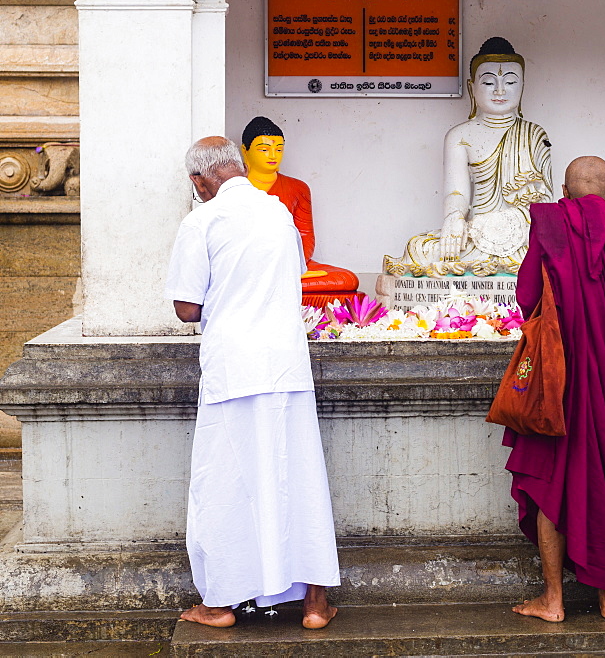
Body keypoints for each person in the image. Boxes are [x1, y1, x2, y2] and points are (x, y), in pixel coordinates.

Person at [165, 136, 340, 629]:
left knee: (223, 483)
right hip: (286, 366)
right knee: (299, 478)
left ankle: (219, 604)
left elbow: (186, 309)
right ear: (238, 168)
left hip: (232, 369)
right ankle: (314, 604)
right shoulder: (280, 213)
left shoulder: (201, 221)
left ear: (200, 181)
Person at [503, 156, 605, 622]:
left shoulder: (549, 224)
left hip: (556, 385)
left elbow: (526, 297)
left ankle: (554, 600)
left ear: (564, 191)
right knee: (602, 483)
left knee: (551, 483)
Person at [384, 37, 553, 278]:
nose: (500, 91)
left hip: (520, 233)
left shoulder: (535, 134)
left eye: (511, 82)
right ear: (472, 86)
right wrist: (454, 219)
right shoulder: (459, 136)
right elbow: (457, 192)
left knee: (548, 248)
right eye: (488, 82)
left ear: (523, 86)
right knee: (418, 249)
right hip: (475, 231)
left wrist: (507, 224)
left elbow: (544, 202)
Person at [241, 116, 361, 297]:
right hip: (246, 265)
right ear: (245, 150)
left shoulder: (298, 188)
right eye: (264, 149)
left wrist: (293, 265)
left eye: (279, 149)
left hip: (291, 263)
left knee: (346, 279)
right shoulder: (235, 188)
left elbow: (305, 236)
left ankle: (276, 283)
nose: (273, 155)